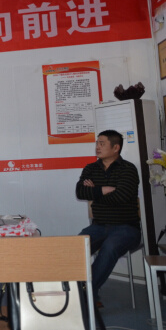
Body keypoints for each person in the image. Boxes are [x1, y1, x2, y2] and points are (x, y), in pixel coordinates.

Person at [76, 129, 141, 303]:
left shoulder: (128, 169)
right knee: (75, 247)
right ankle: (81, 292)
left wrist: (94, 191)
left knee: (109, 247)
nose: (97, 147)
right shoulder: (90, 168)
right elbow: (80, 192)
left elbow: (121, 197)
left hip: (126, 228)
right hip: (98, 226)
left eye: (102, 143)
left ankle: (86, 293)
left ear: (115, 147)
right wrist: (104, 189)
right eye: (97, 143)